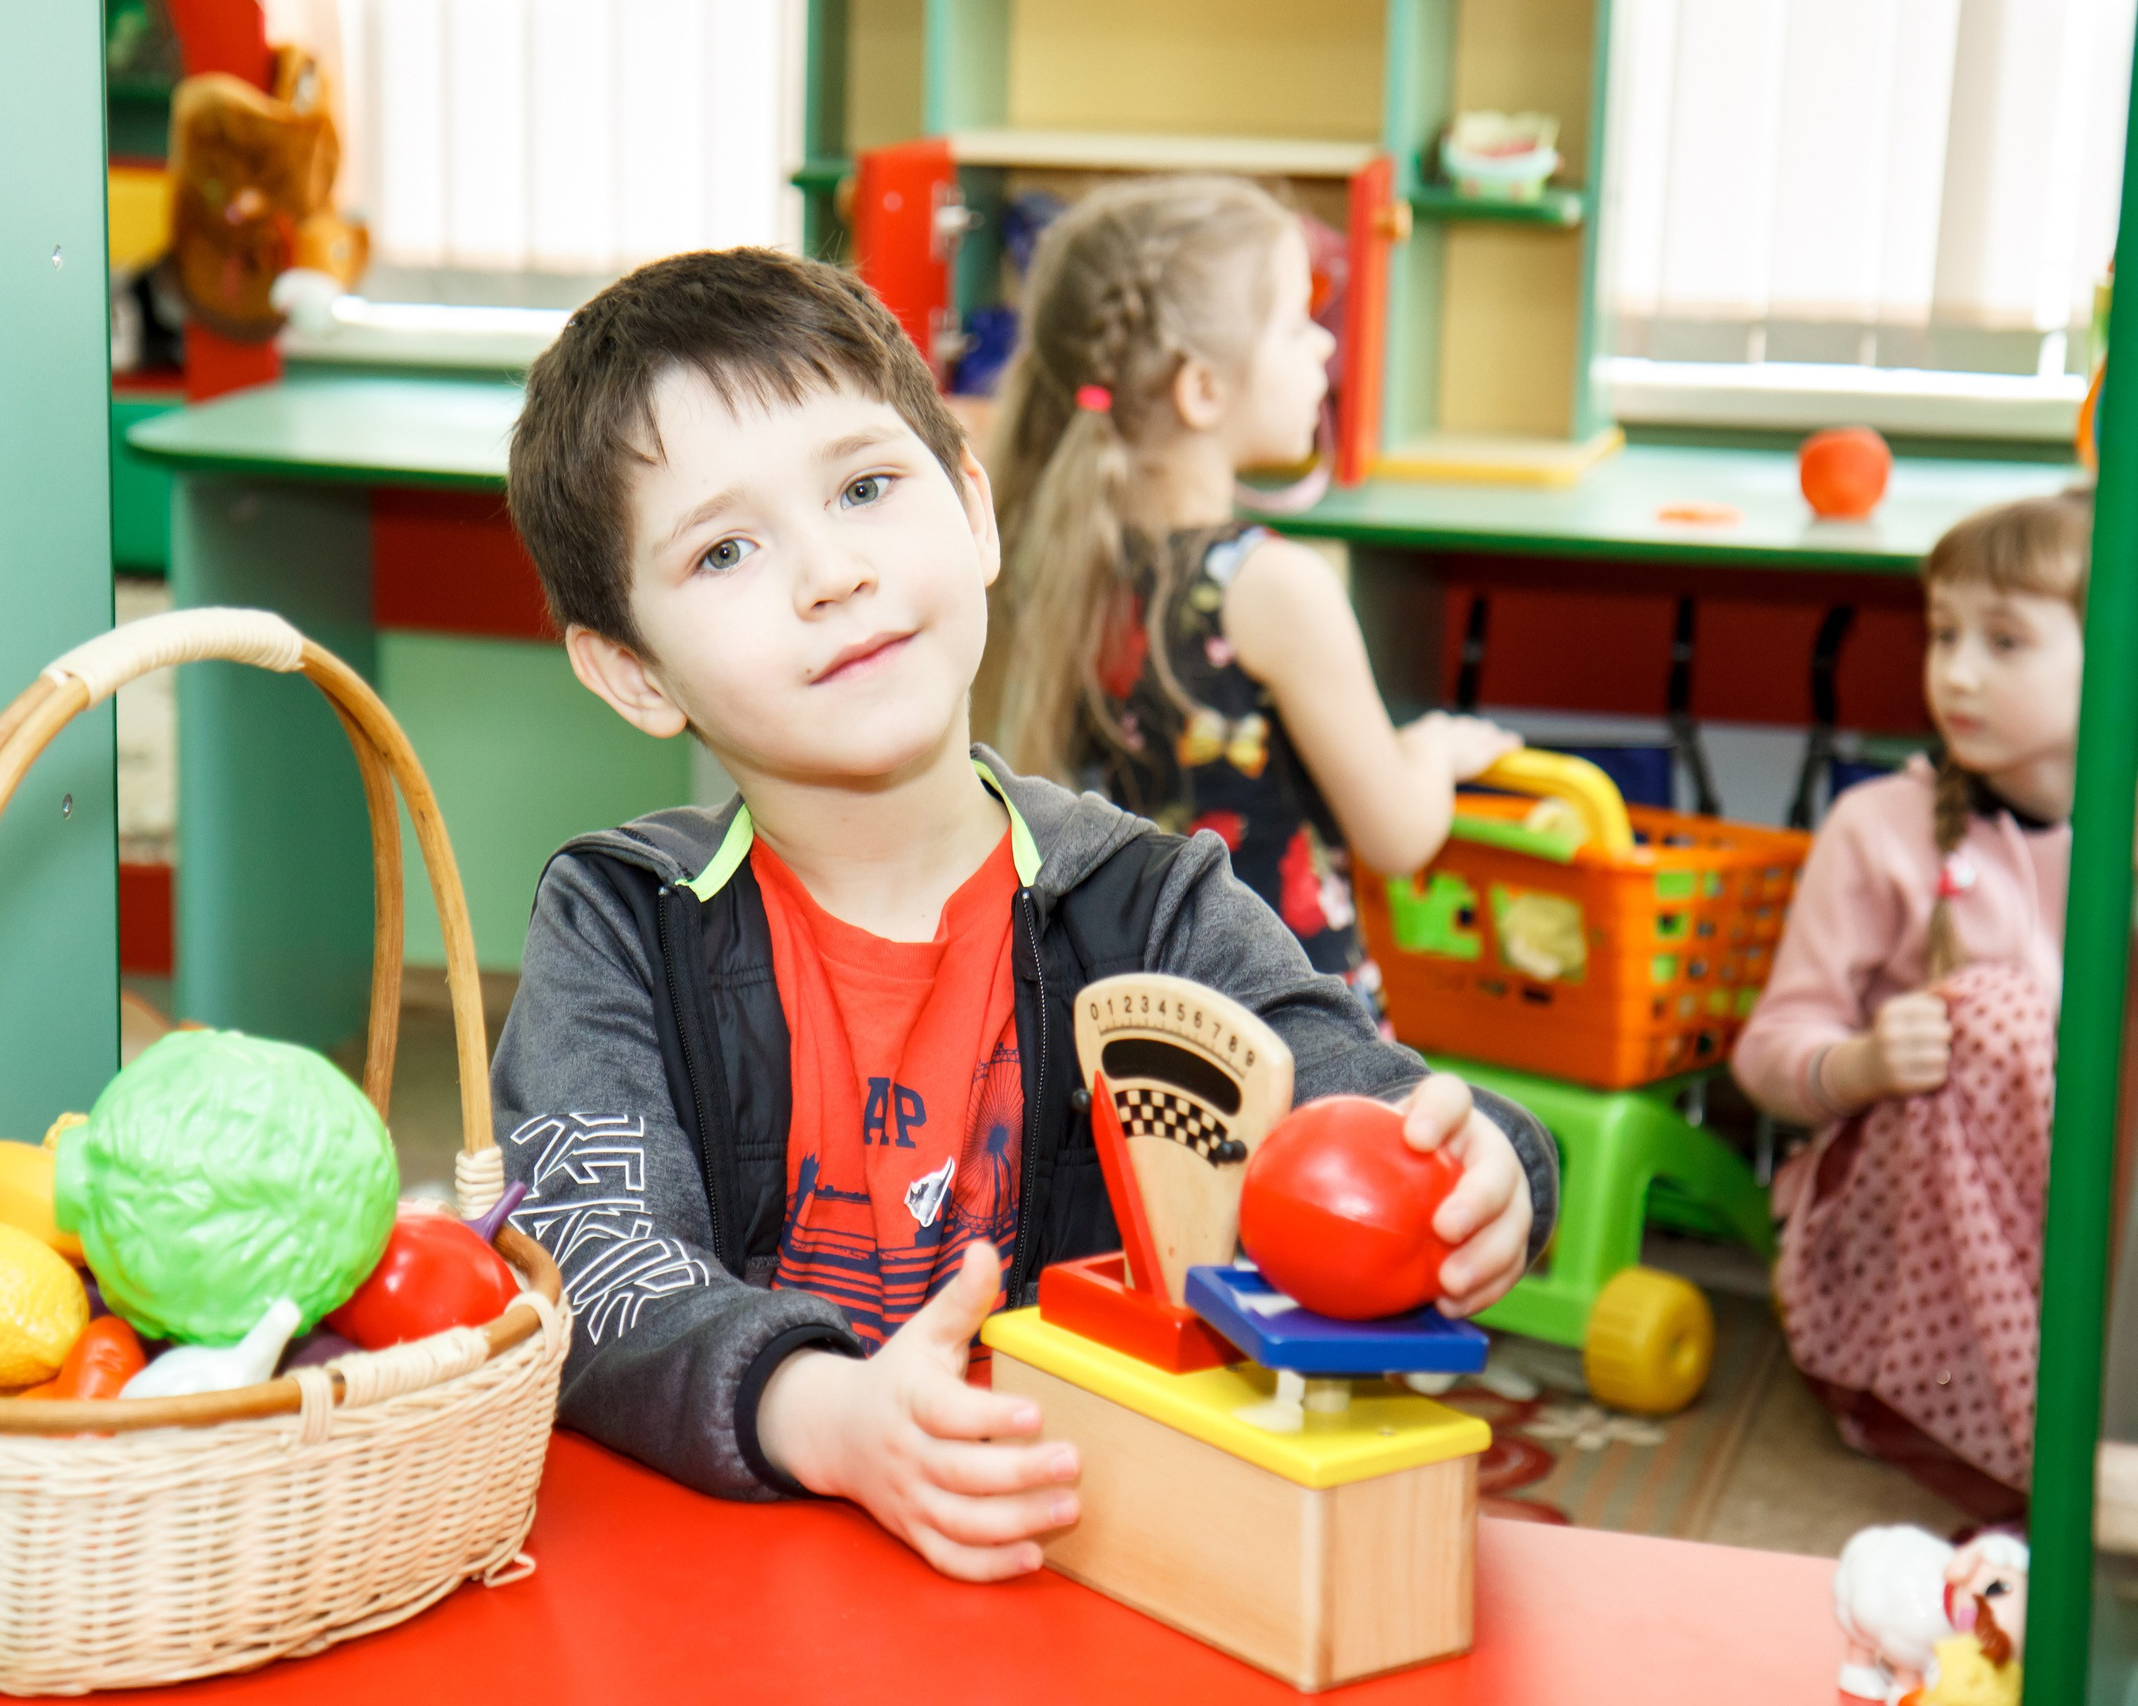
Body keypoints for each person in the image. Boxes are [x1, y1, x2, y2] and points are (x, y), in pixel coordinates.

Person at [492, 245, 1557, 1582]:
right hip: (748, 1578)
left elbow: (1348, 1091)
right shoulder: (620, 921)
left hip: (1097, 1558)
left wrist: (1482, 1169)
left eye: (868, 485)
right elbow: (590, 1258)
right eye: (725, 549)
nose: (832, 572)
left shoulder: (1150, 897)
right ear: (634, 670)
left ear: (975, 513)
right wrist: (821, 1412)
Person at [985, 177, 1518, 1014]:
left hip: (1136, 1025)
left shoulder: (1061, 555)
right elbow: (1399, 832)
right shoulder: (1270, 586)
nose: (1324, 350)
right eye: (1295, 325)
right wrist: (1439, 751)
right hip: (1287, 1033)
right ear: (1202, 390)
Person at [1733, 492, 2090, 1518]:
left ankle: (2089, 1404)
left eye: (2005, 639)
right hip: (1893, 1265)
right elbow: (1767, 1053)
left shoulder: (2114, 841)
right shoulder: (1876, 826)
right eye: (1942, 634)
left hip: (2074, 1247)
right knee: (1991, 1014)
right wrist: (1864, 1064)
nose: (1959, 670)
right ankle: (2046, 1440)